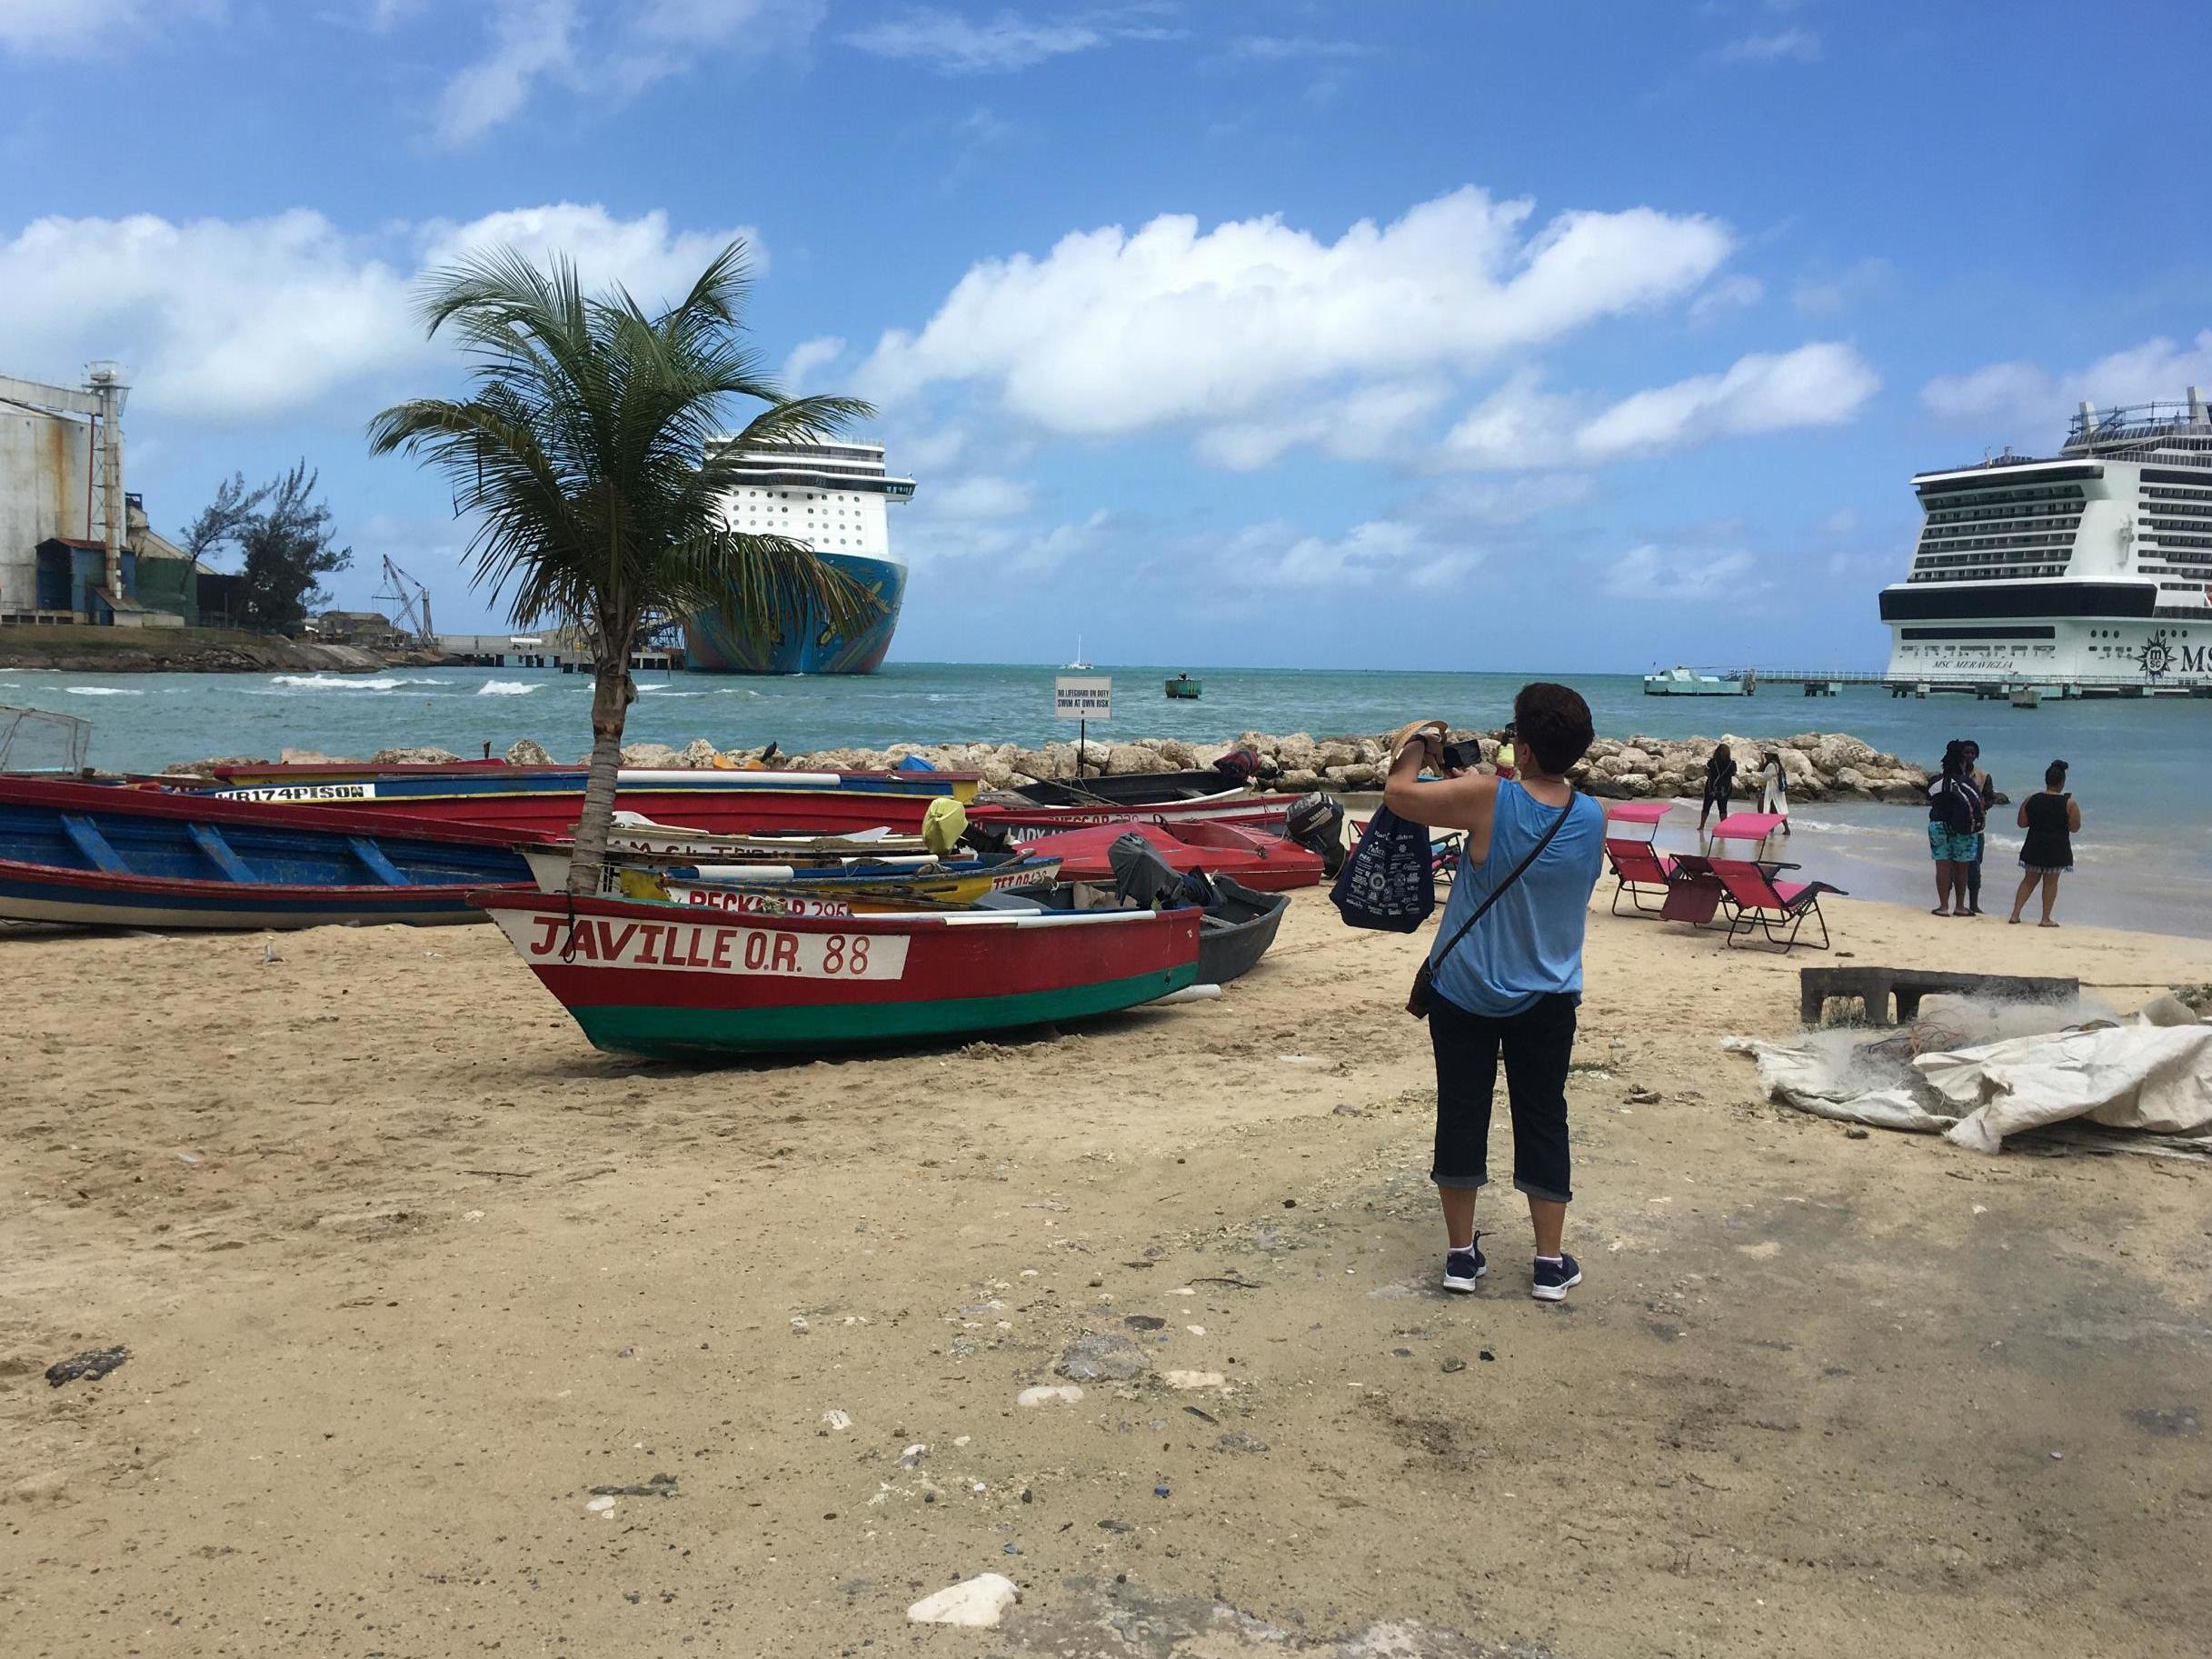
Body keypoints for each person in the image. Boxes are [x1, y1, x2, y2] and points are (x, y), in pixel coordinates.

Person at [1383, 683, 1606, 1304]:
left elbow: (1399, 797)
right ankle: (1549, 1262)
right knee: (1543, 1117)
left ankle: (1460, 1256)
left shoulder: (1487, 798)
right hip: (1548, 992)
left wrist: (1418, 743)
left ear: (1524, 747)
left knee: (1462, 1110)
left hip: (1466, 988)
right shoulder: (1591, 816)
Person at [2008, 759, 2080, 927]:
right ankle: (2045, 918)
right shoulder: (2069, 803)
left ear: (2046, 780)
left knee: (2028, 880)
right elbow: (2075, 827)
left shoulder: (2031, 799)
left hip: (2034, 844)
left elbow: (2021, 823)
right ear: (2062, 782)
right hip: (2057, 847)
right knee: (2051, 883)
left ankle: (2015, 914)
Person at [1926, 739, 1982, 916]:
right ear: (1962, 760)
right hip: (1963, 828)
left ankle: (1943, 907)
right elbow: (1979, 803)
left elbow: (1930, 798)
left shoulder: (1936, 781)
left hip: (1938, 825)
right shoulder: (1968, 783)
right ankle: (1960, 906)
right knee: (1961, 868)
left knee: (1942, 866)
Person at [1961, 740, 1994, 915]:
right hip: (1957, 827)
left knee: (1974, 866)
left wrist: (1981, 805)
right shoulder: (1952, 773)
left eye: (1972, 753)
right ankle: (1956, 902)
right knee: (1955, 866)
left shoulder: (1983, 776)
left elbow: (1990, 798)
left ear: (1977, 755)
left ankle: (1974, 904)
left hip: (1976, 829)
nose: (1969, 756)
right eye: (1966, 752)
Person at [1698, 742, 1736, 833]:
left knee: (1706, 806)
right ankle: (1723, 827)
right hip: (1725, 788)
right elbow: (1733, 773)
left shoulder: (1712, 762)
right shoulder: (1731, 763)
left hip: (1712, 787)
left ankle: (1702, 826)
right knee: (1723, 808)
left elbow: (1706, 772)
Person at [1757, 749, 1791, 834]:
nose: (1765, 756)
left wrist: (1752, 774)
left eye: (1767, 754)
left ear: (1771, 755)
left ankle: (1768, 827)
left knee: (1764, 807)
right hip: (1776, 790)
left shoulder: (1771, 765)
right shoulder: (1777, 765)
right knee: (1776, 809)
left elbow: (1764, 778)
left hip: (1772, 790)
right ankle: (1778, 828)